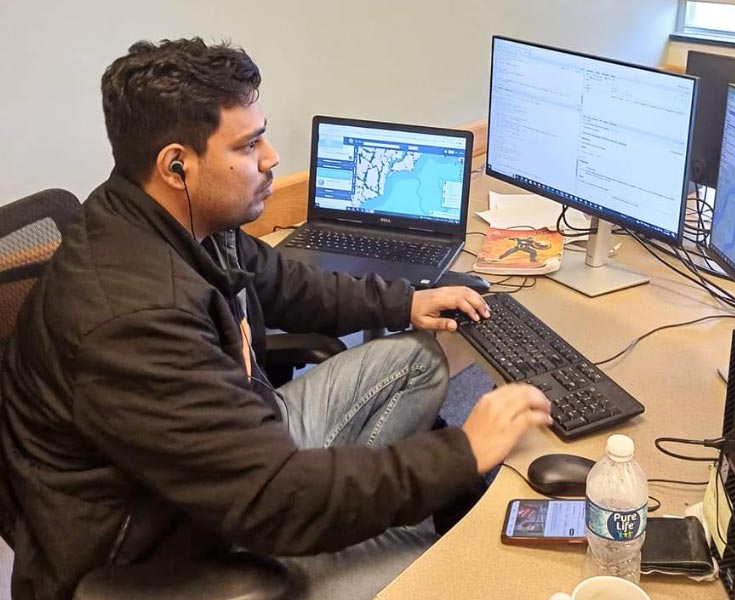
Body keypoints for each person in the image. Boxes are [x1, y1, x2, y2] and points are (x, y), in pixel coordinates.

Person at [0, 38, 552, 600]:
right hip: (167, 547)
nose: (271, 157)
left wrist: (404, 302)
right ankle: (337, 525)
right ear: (176, 166)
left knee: (416, 360)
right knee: (450, 569)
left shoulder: (169, 215)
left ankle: (343, 511)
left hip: (227, 447)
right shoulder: (134, 320)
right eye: (249, 143)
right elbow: (267, 496)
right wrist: (464, 453)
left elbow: (279, 279)